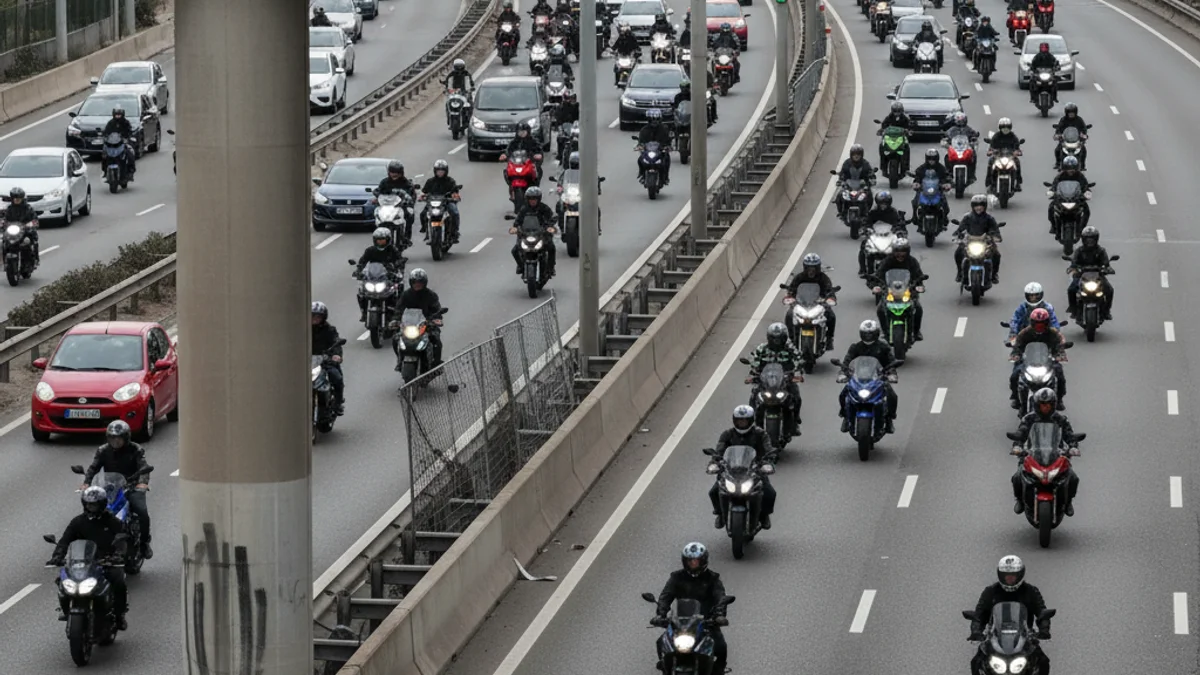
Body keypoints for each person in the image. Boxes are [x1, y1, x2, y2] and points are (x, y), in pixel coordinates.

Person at [47, 486, 130, 630]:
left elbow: (122, 539)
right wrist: (57, 556)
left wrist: (118, 555)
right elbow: (65, 540)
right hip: (82, 563)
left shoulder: (112, 521)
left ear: (102, 504)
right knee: (62, 580)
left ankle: (118, 615)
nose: (91, 507)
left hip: (106, 562)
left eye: (95, 504)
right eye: (89, 504)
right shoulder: (78, 522)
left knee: (119, 582)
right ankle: (66, 610)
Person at [79, 420, 153, 560]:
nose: (115, 441)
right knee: (92, 507)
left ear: (126, 438)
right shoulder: (103, 450)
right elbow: (93, 468)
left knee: (142, 511)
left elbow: (144, 468)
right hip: (110, 486)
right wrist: (87, 483)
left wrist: (142, 483)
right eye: (112, 438)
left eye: (118, 438)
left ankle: (144, 543)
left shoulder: (136, 450)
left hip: (131, 486)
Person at [651, 543, 729, 675]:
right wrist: (661, 613)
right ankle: (666, 667)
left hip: (706, 623)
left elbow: (720, 597)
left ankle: (718, 670)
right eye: (690, 561)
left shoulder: (713, 578)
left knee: (721, 646)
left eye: (696, 561)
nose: (693, 563)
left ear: (703, 561)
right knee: (661, 642)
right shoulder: (676, 577)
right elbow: (666, 596)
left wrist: (719, 615)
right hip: (680, 622)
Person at [968, 556, 1053, 675]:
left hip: (1025, 637)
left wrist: (1044, 629)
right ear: (1000, 575)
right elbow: (979, 614)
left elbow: (1042, 612)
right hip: (995, 637)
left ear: (1020, 575)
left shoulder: (1031, 591)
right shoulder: (990, 591)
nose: (1009, 578)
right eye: (1005, 575)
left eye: (1013, 575)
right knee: (976, 662)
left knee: (1043, 661)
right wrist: (976, 631)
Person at [1010, 388, 1081, 517]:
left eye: (1048, 404)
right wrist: (1018, 446)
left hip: (1057, 455)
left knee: (1073, 477)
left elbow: (1069, 435)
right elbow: (1022, 433)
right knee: (1016, 477)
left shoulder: (1060, 419)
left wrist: (1073, 446)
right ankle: (1020, 500)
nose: (1045, 407)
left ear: (1053, 405)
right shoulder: (1029, 418)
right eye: (1042, 404)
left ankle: (1068, 502)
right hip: (1032, 454)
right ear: (1037, 405)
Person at [709, 406, 777, 529]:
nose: (742, 423)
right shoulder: (727, 434)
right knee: (714, 491)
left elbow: (768, 449)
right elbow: (719, 450)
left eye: (744, 420)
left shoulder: (760, 434)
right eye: (739, 420)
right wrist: (715, 462)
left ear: (751, 420)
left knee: (770, 493)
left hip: (754, 470)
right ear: (734, 420)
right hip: (731, 470)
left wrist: (768, 460)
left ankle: (764, 515)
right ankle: (720, 513)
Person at [837, 320, 899, 433]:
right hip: (858, 378)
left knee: (892, 396)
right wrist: (842, 373)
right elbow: (847, 361)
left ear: (876, 333)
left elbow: (891, 361)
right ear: (861, 334)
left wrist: (892, 374)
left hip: (878, 379)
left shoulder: (883, 347)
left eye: (871, 333)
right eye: (866, 333)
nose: (868, 336)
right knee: (843, 394)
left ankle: (889, 419)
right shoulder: (855, 347)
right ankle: (845, 416)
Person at [746, 323, 805, 433]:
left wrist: (797, 370)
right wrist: (753, 372)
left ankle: (795, 420)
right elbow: (754, 360)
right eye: (774, 339)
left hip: (785, 381)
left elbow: (799, 358)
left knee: (796, 397)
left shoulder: (790, 348)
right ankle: (752, 422)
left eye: (779, 339)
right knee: (754, 396)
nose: (776, 341)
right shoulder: (762, 348)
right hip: (765, 382)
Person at [1009, 308, 1067, 406]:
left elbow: (1059, 345)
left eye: (1043, 323)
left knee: (1060, 375)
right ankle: (1015, 397)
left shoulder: (1053, 333)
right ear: (1032, 323)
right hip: (1028, 361)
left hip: (1048, 362)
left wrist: (1060, 355)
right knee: (1014, 375)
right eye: (1037, 323)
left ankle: (1059, 399)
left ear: (1047, 323)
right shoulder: (1025, 333)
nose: (1040, 326)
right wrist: (1016, 354)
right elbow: (1018, 345)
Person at [873, 239, 926, 341]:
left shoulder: (912, 262)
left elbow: (919, 275)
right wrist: (876, 284)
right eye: (897, 251)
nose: (900, 254)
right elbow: (879, 274)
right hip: (890, 291)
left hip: (908, 291)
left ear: (908, 251)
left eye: (903, 251)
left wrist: (918, 285)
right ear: (893, 251)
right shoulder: (887, 261)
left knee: (918, 309)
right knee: (880, 309)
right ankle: (885, 331)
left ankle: (916, 331)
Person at [784, 252, 838, 350]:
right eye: (809, 268)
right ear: (805, 268)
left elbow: (829, 290)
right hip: (802, 304)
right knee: (789, 315)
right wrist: (790, 297)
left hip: (819, 304)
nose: (811, 271)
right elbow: (792, 289)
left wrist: (831, 298)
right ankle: (792, 338)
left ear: (818, 268)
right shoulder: (799, 277)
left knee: (831, 315)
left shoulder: (823, 278)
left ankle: (829, 339)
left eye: (813, 268)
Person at [354, 228, 407, 321]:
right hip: (374, 277)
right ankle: (364, 311)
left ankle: (398, 311)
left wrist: (398, 269)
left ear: (388, 240)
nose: (380, 242)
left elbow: (400, 260)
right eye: (378, 240)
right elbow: (362, 262)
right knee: (361, 291)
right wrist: (358, 271)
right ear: (375, 240)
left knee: (400, 287)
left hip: (388, 277)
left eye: (383, 240)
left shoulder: (392, 250)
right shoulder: (370, 250)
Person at [395, 268, 444, 368]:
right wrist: (395, 319)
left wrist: (436, 319)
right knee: (395, 339)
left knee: (436, 341)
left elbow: (436, 309)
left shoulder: (431, 295)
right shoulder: (406, 295)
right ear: (411, 283)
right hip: (409, 325)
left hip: (426, 325)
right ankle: (400, 361)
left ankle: (436, 364)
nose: (417, 285)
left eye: (420, 283)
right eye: (415, 282)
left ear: (424, 283)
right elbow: (399, 309)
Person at [1065, 226, 1114, 320]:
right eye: (1088, 239)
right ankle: (1073, 309)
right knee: (1071, 289)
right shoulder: (1079, 250)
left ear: (1096, 239)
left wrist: (1107, 268)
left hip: (1098, 276)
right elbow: (1074, 262)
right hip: (1081, 276)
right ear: (1083, 239)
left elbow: (1106, 263)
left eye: (1092, 239)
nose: (1090, 241)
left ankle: (1106, 311)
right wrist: (1073, 267)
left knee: (1110, 290)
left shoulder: (1101, 251)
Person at [952, 194, 1002, 285]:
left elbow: (995, 230)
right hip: (970, 241)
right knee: (958, 252)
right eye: (976, 206)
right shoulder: (967, 217)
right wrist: (957, 235)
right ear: (973, 207)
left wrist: (996, 237)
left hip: (985, 242)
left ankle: (994, 274)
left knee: (997, 255)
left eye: (981, 205)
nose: (978, 208)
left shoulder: (989, 218)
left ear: (985, 206)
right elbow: (961, 228)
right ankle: (959, 272)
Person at [511, 186, 557, 277]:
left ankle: (550, 268)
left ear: (538, 199)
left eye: (535, 199)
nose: (533, 201)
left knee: (551, 248)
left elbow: (552, 217)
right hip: (526, 234)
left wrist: (549, 226)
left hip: (541, 234)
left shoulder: (544, 208)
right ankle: (521, 266)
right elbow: (518, 220)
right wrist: (515, 227)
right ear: (527, 199)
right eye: (530, 199)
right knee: (515, 250)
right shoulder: (524, 209)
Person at [861, 192, 909, 276]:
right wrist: (866, 229)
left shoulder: (893, 212)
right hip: (876, 235)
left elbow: (899, 223)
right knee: (864, 246)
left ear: (889, 203)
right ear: (878, 203)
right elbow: (867, 222)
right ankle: (863, 269)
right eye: (881, 204)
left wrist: (899, 231)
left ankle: (903, 267)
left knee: (901, 248)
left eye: (885, 204)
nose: (883, 206)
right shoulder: (873, 212)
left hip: (889, 236)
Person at [311, 301, 345, 414]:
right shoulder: (302, 329)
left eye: (317, 316)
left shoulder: (329, 330)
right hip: (307, 361)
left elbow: (336, 343)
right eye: (312, 316)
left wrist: (336, 355)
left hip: (325, 361)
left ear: (323, 317)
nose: (315, 319)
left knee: (337, 377)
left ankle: (338, 403)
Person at [420, 159, 462, 240]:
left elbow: (455, 192)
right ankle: (425, 229)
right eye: (438, 171)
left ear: (446, 171)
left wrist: (455, 196)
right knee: (423, 214)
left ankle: (454, 232)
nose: (440, 173)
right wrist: (422, 197)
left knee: (455, 212)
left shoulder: (450, 181)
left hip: (446, 203)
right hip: (433, 203)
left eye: (442, 171)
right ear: (435, 171)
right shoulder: (430, 181)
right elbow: (424, 192)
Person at [1047, 155, 1090, 233]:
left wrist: (1086, 192)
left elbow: (1085, 185)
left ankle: (1082, 227)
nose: (1071, 170)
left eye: (1073, 168)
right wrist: (1052, 192)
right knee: (1051, 208)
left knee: (1086, 210)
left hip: (1076, 198)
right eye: (1068, 168)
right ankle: (1053, 226)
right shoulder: (1060, 176)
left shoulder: (1080, 176)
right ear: (1064, 168)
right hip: (1063, 198)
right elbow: (1054, 185)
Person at [835, 144, 874, 217]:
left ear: (861, 155)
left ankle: (866, 211)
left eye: (858, 154)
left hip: (862, 186)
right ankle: (841, 212)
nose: (856, 156)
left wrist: (872, 179)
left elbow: (870, 172)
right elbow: (842, 173)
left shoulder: (865, 163)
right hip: (849, 185)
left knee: (869, 195)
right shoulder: (847, 163)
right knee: (839, 195)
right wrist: (840, 180)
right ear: (851, 155)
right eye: (854, 154)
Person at [2, 187, 39, 263]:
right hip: (13, 232)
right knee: (5, 241)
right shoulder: (9, 209)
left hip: (26, 231)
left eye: (18, 198)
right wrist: (3, 223)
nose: (16, 200)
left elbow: (35, 219)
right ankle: (5, 261)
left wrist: (31, 224)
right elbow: (4, 218)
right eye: (15, 198)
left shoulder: (28, 208)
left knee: (29, 241)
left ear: (22, 198)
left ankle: (34, 259)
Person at [985, 117, 1023, 190]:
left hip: (1010, 156)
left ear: (1010, 127)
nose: (1005, 129)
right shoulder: (996, 136)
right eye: (1003, 127)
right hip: (998, 156)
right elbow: (991, 146)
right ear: (1000, 127)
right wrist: (991, 151)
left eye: (1007, 127)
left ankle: (1018, 182)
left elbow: (1017, 146)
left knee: (1017, 162)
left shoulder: (1013, 136)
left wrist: (1017, 152)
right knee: (990, 161)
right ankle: (989, 181)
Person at [911, 149, 950, 219]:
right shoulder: (922, 168)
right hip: (924, 189)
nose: (931, 161)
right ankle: (914, 217)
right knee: (915, 201)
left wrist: (946, 184)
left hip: (937, 190)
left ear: (937, 159)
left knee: (944, 203)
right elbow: (917, 176)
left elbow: (946, 177)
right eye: (929, 159)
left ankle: (944, 218)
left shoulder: (941, 168)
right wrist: (916, 183)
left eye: (933, 159)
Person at [942, 112, 979, 183]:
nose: (961, 122)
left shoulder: (969, 129)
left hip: (965, 148)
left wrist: (974, 138)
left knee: (973, 156)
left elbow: (974, 135)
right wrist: (946, 140)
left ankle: (971, 174)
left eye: (962, 121)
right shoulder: (951, 129)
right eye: (959, 121)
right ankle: (949, 173)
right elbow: (946, 135)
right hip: (955, 149)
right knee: (947, 157)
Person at [638, 109, 672, 185]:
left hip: (660, 151)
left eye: (656, 120)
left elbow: (668, 140)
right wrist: (640, 146)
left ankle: (665, 177)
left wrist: (668, 146)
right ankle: (642, 175)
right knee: (640, 160)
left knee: (667, 159)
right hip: (648, 151)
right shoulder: (644, 130)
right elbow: (641, 141)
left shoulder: (664, 129)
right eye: (652, 120)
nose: (654, 122)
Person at [102, 107, 136, 178]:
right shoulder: (110, 123)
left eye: (119, 115)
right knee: (104, 155)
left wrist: (127, 137)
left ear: (122, 115)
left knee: (130, 153)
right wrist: (105, 137)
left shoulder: (126, 122)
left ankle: (131, 169)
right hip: (112, 144)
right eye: (116, 115)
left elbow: (129, 131)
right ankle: (105, 170)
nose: (118, 116)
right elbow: (106, 132)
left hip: (123, 143)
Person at [1053, 103, 1088, 170]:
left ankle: (1083, 165)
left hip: (1076, 140)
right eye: (1069, 113)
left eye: (1073, 113)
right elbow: (1059, 129)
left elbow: (1083, 129)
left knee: (1083, 150)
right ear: (1066, 113)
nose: (1071, 114)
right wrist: (1058, 135)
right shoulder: (1063, 120)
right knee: (1057, 150)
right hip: (1065, 140)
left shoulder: (1079, 120)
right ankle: (1058, 163)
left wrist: (1083, 135)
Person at [877, 102, 911, 171]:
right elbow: (884, 125)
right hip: (890, 137)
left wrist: (908, 131)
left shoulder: (905, 119)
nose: (897, 113)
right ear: (892, 111)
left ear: (902, 111)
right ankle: (883, 165)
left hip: (901, 138)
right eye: (895, 111)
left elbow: (909, 127)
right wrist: (882, 130)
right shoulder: (888, 118)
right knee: (881, 145)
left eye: (899, 111)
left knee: (907, 147)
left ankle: (906, 167)